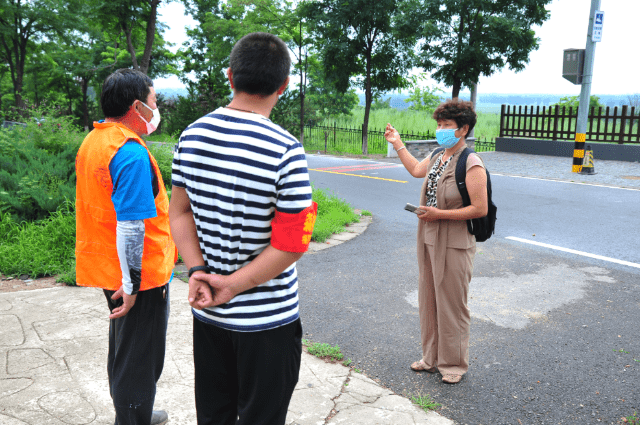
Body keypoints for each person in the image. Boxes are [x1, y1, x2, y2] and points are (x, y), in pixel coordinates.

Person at [169, 32, 317, 425]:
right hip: (267, 323)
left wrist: (197, 270)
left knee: (214, 416)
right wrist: (232, 285)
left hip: (209, 317)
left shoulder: (192, 135)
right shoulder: (285, 148)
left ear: (231, 77)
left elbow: (179, 213)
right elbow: (292, 244)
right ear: (283, 87)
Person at [75, 68, 177, 424]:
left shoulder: (96, 140)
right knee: (140, 358)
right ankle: (133, 417)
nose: (156, 107)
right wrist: (133, 286)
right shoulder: (129, 153)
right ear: (137, 106)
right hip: (140, 276)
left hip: (110, 267)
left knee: (125, 349)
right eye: (153, 101)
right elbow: (132, 227)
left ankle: (137, 412)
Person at [384, 99, 487, 384]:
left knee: (452, 303)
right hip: (428, 235)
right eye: (439, 125)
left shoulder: (472, 163)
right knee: (428, 298)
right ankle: (431, 359)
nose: (441, 130)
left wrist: (439, 213)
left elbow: (480, 208)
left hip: (455, 240)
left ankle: (453, 364)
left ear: (463, 129)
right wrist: (397, 143)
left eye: (447, 126)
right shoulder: (439, 155)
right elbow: (417, 170)